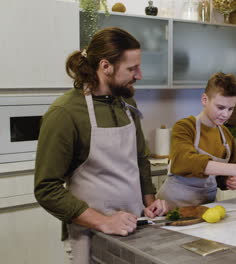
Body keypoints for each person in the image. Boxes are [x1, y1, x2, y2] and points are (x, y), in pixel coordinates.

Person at [34, 27, 169, 264]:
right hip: (90, 236)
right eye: (132, 68)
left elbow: (139, 159)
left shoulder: (126, 102)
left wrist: (150, 202)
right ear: (106, 66)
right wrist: (103, 221)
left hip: (136, 228)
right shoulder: (64, 113)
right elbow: (47, 188)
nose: (140, 74)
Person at [157, 72, 236, 208]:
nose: (225, 114)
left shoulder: (226, 135)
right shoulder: (185, 127)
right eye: (220, 107)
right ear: (204, 100)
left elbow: (220, 177)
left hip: (205, 210)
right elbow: (186, 161)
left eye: (231, 109)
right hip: (171, 208)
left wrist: (228, 181)